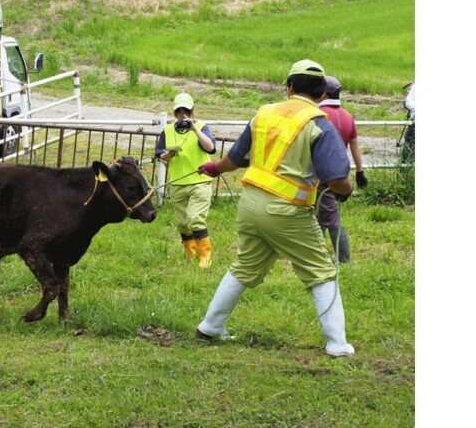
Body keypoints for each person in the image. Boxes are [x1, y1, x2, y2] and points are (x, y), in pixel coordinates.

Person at [195, 60, 356, 357]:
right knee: (321, 273)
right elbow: (337, 178)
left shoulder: (263, 114)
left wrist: (214, 169)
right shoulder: (318, 123)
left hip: (250, 204)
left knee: (244, 267)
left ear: (290, 87)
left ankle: (210, 326)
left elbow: (236, 157)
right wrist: (347, 191)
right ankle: (337, 344)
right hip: (287, 211)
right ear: (321, 94)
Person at [156, 92, 218, 268]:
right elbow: (161, 156)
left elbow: (211, 147)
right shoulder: (167, 131)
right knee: (183, 223)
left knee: (195, 218)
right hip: (177, 183)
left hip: (200, 181)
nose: (183, 115)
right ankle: (190, 256)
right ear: (174, 113)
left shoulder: (202, 127)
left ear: (192, 111)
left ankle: (205, 258)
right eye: (179, 111)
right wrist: (168, 154)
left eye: (186, 111)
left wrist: (195, 130)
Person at [316, 76, 367, 264]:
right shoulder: (347, 116)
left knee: (327, 217)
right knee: (325, 213)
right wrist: (360, 172)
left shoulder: (318, 115)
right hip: (339, 172)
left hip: (320, 173)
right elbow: (354, 146)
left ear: (323, 93)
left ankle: (343, 260)